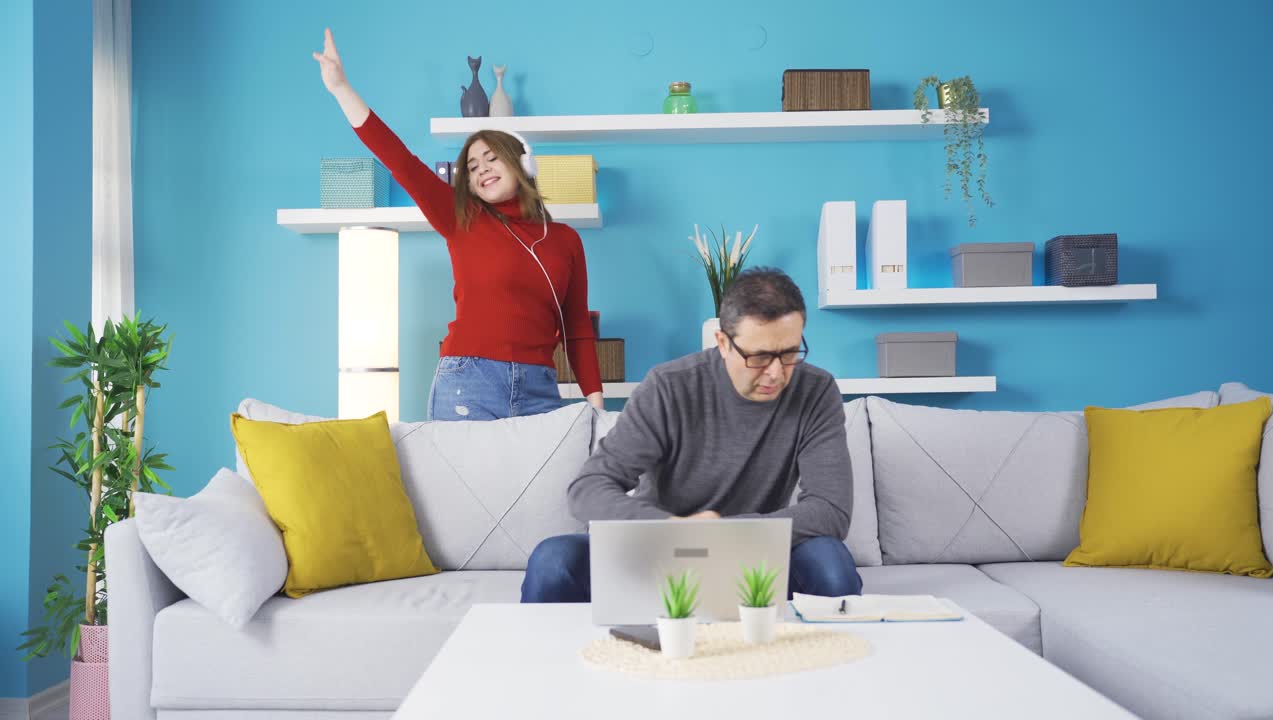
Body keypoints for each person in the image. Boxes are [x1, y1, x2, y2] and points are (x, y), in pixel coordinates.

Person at [521, 267, 863, 602]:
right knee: (553, 561)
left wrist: (724, 534)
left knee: (831, 565)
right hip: (658, 551)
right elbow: (589, 489)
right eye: (759, 357)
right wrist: (674, 529)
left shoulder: (816, 391)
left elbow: (830, 509)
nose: (776, 373)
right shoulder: (669, 386)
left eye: (789, 353)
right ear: (723, 342)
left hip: (755, 556)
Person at [313, 29, 604, 420]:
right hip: (469, 382)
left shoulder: (565, 240)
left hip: (539, 387)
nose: (481, 169)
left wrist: (595, 404)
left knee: (542, 484)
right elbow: (400, 160)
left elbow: (577, 328)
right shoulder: (461, 219)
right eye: (471, 166)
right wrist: (341, 88)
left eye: (491, 158)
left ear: (523, 163)